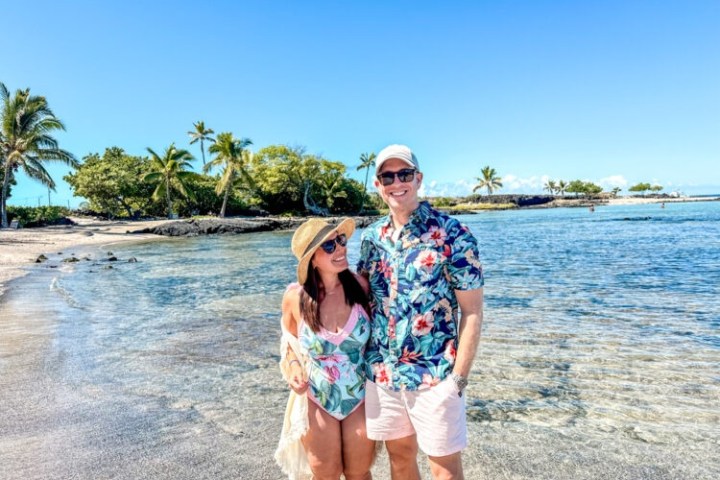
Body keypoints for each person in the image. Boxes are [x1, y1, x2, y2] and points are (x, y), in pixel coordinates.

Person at [357, 144, 485, 480]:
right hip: (383, 374)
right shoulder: (372, 238)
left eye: (405, 174)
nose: (397, 182)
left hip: (436, 375)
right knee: (399, 458)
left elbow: (471, 312)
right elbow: (358, 296)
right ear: (377, 184)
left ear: (419, 178)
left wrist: (457, 379)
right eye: (388, 176)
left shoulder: (453, 234)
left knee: (444, 468)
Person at [275, 218, 376, 480]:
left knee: (359, 473)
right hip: (317, 397)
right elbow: (288, 345)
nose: (340, 248)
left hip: (360, 396)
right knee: (324, 474)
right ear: (312, 259)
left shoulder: (362, 288)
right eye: (329, 245)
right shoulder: (295, 298)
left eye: (341, 240)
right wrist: (294, 368)